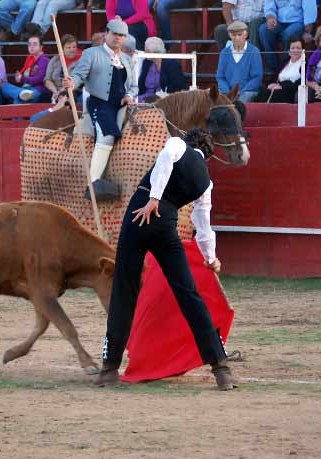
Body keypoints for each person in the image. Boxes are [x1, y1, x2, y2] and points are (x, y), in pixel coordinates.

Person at [93, 130, 233, 390]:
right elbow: (203, 225)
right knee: (188, 294)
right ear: (208, 157)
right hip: (166, 229)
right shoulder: (206, 182)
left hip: (139, 216)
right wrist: (211, 258)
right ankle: (220, 367)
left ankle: (109, 368)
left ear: (190, 141)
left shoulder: (178, 144)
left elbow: (168, 156)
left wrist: (154, 199)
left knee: (125, 290)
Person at [63, 18, 138, 201]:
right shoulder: (91, 53)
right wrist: (72, 83)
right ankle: (94, 183)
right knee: (107, 136)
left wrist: (129, 96)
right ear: (107, 34)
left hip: (122, 107)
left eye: (121, 36)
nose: (117, 38)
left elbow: (134, 87)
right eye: (114, 34)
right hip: (100, 103)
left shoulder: (127, 60)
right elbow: (79, 75)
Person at [259, 0, 317, 71]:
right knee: (264, 30)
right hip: (278, 21)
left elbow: (309, 10)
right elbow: (269, 6)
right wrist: (270, 17)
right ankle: (273, 66)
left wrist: (308, 31)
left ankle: (286, 65)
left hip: (298, 21)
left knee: (288, 34)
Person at [216, 21, 263, 103]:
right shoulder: (224, 52)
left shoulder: (254, 51)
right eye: (234, 35)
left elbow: (257, 77)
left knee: (239, 104)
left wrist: (240, 93)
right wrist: (228, 93)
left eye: (240, 34)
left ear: (246, 35)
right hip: (227, 92)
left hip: (247, 91)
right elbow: (220, 76)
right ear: (229, 35)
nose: (237, 38)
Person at [0, 34, 49, 104]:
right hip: (25, 88)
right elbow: (24, 77)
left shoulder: (44, 60)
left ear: (41, 47)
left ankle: (21, 93)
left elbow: (40, 79)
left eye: (34, 44)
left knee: (18, 100)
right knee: (4, 86)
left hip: (37, 89)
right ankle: (20, 92)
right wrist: (19, 77)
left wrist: (22, 78)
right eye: (29, 44)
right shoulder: (29, 59)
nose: (31, 46)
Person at [137, 36, 186, 103]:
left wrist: (161, 95)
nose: (144, 52)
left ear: (154, 52)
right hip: (144, 97)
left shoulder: (171, 64)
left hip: (163, 99)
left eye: (147, 50)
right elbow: (141, 84)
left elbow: (178, 85)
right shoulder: (147, 62)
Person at [44, 34, 81, 103]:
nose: (72, 50)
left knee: (65, 97)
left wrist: (60, 92)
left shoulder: (81, 61)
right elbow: (47, 79)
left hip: (72, 90)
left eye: (74, 47)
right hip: (54, 90)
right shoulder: (54, 60)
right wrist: (55, 91)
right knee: (43, 97)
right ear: (62, 49)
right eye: (68, 47)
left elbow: (77, 80)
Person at [265, 36, 303, 103]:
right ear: (289, 51)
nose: (295, 50)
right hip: (277, 89)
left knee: (277, 94)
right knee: (263, 92)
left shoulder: (305, 64)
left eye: (298, 48)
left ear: (302, 50)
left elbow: (302, 82)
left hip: (291, 91)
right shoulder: (283, 63)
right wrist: (271, 84)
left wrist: (282, 86)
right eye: (293, 48)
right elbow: (274, 78)